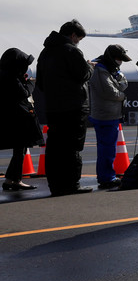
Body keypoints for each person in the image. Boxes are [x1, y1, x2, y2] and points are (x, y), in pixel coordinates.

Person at [36, 20, 94, 196]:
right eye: (79, 39)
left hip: (53, 107)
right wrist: (90, 67)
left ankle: (55, 184)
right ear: (73, 35)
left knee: (54, 147)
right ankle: (71, 184)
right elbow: (83, 74)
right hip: (74, 107)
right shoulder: (71, 50)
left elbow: (40, 83)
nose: (78, 42)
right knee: (73, 147)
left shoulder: (45, 52)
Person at [88, 44, 131, 189]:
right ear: (112, 57)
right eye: (119, 59)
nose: (120, 62)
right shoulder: (100, 69)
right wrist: (123, 96)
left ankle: (107, 175)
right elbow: (110, 92)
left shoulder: (111, 68)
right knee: (106, 149)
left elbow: (124, 83)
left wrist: (119, 88)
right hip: (104, 115)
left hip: (110, 114)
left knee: (108, 148)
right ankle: (106, 177)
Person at [1, 48, 45, 191]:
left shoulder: (5, 75)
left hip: (11, 117)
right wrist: (31, 83)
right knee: (20, 150)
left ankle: (11, 179)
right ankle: (14, 180)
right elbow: (24, 93)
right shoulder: (11, 77)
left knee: (19, 150)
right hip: (18, 118)